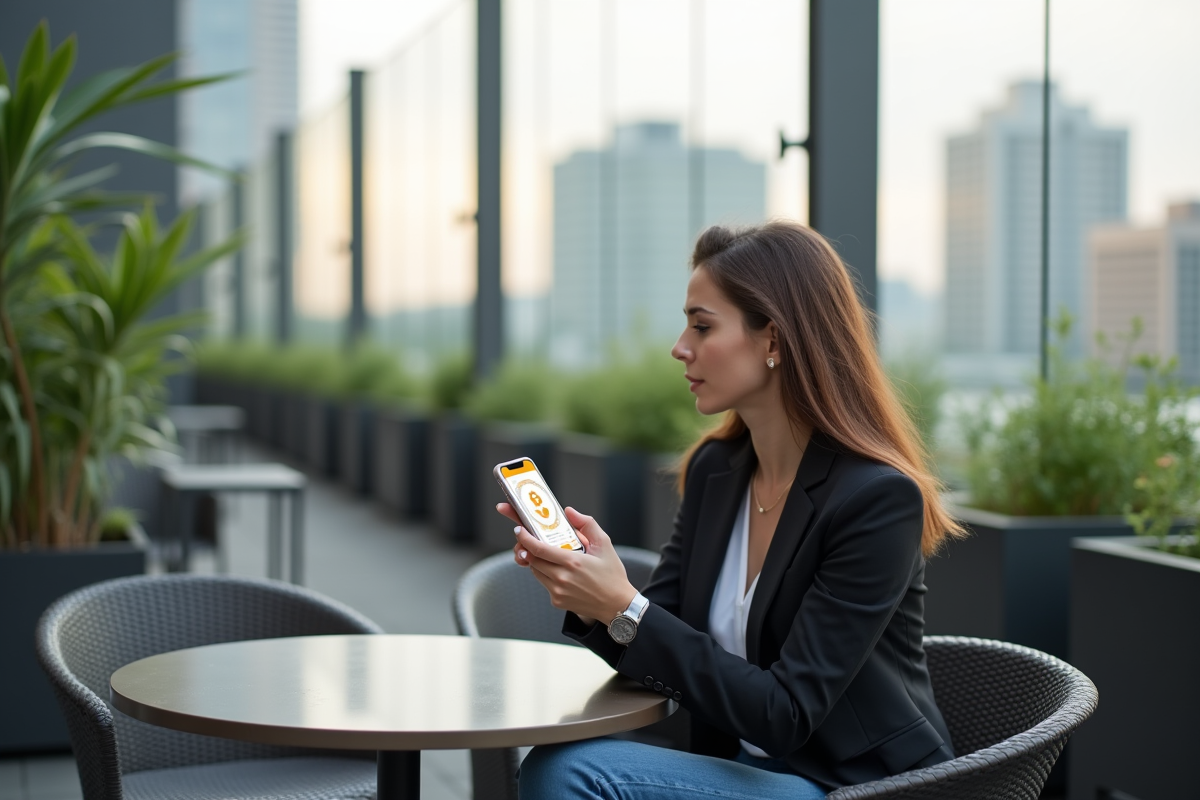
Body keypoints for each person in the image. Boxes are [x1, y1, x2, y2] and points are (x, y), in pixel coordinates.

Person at [496, 221, 965, 799]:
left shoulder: (876, 500)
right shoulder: (718, 471)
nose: (679, 347)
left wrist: (625, 607)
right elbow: (655, 636)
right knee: (564, 760)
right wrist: (598, 596)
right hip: (749, 768)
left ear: (773, 339)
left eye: (701, 325)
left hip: (852, 784)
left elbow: (786, 712)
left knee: (566, 772)